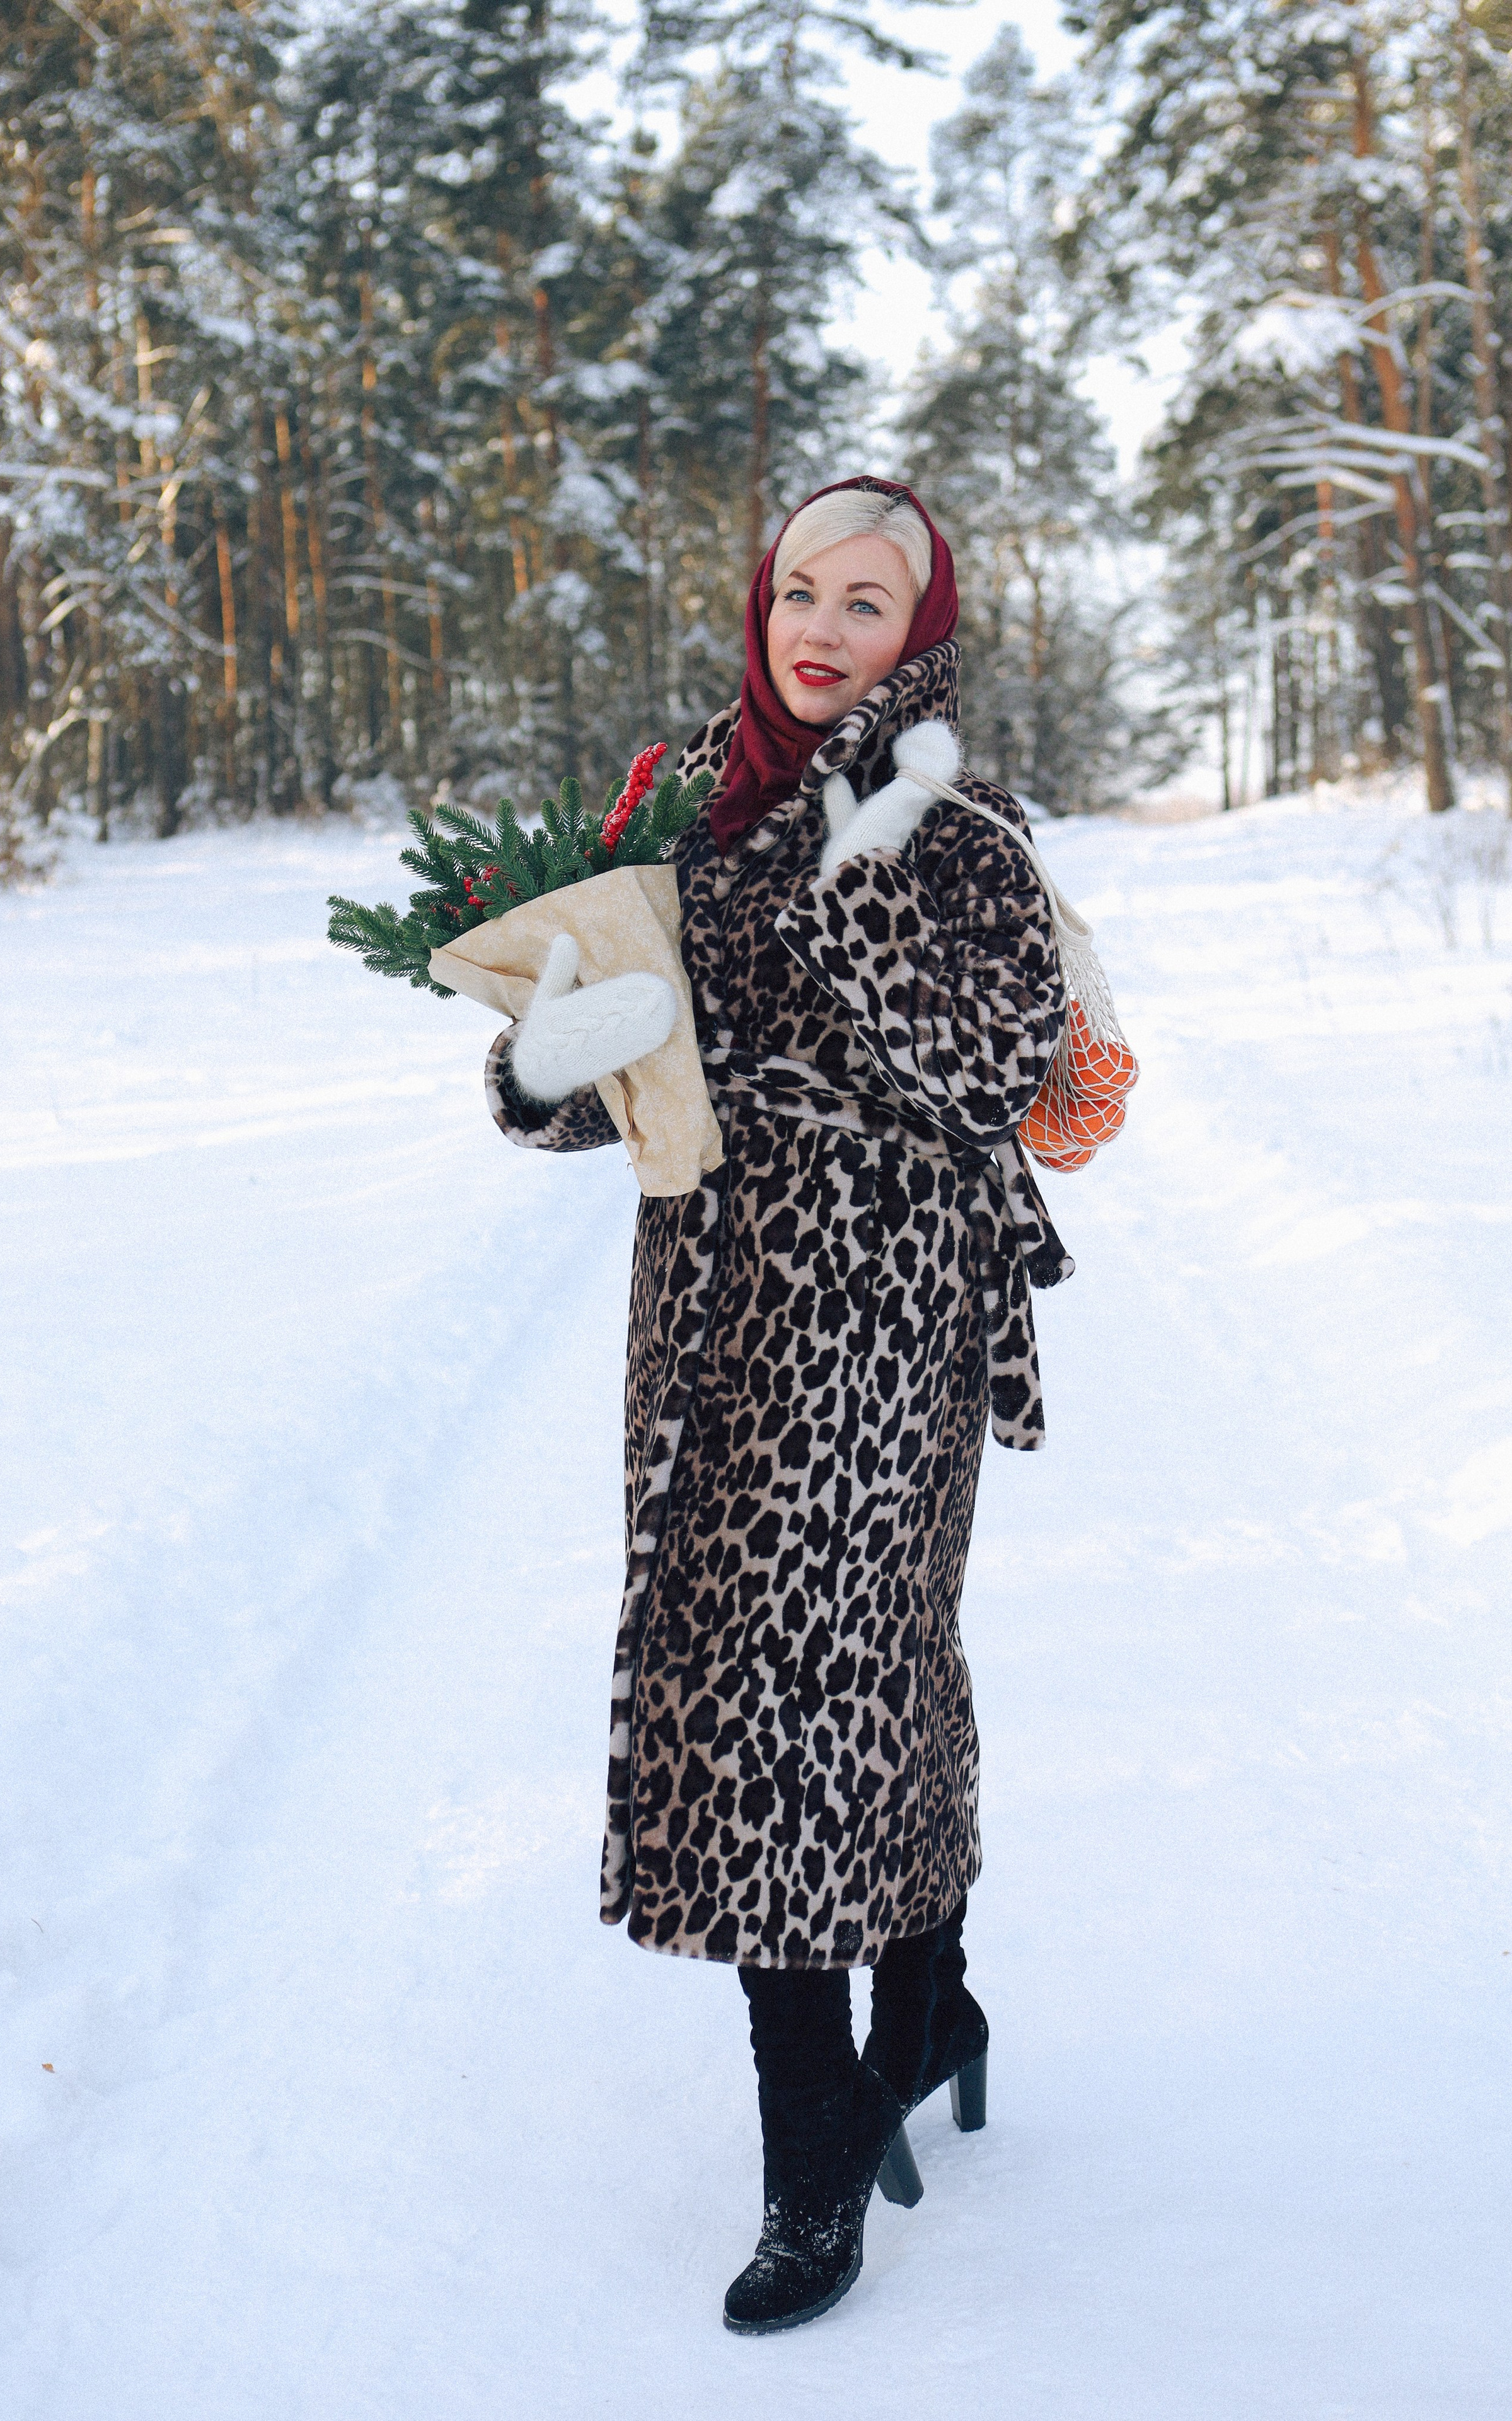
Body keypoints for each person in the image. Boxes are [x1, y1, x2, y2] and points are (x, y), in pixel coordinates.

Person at [487, 476, 1071, 2333]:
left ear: (928, 632)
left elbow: (1003, 1064)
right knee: (860, 1667)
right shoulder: (701, 816)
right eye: (801, 590)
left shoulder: (963, 828)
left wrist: (855, 877)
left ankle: (812, 2150)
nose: (824, 627)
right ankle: (936, 1993)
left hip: (887, 1308)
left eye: (871, 602)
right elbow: (623, 1077)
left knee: (798, 1691)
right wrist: (539, 1071)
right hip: (713, 1309)